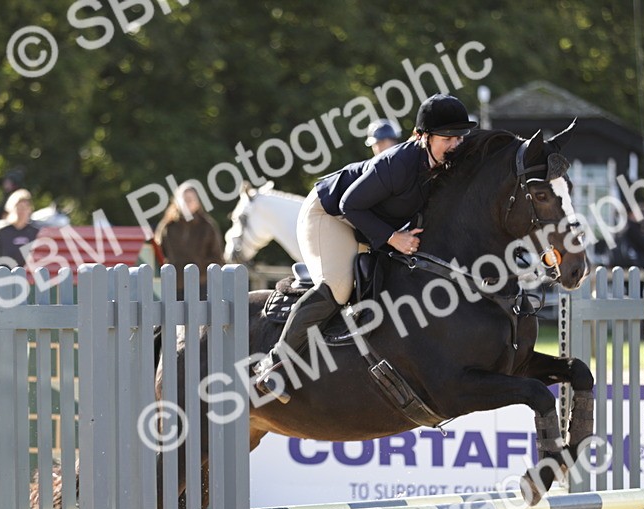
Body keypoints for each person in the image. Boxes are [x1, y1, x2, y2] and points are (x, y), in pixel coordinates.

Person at [254, 93, 477, 401]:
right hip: (330, 213)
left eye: (459, 138)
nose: (455, 145)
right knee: (340, 286)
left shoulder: (441, 162)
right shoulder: (397, 164)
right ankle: (274, 363)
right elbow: (350, 205)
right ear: (421, 136)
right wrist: (393, 238)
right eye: (447, 138)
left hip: (365, 219)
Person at [154, 183, 225, 298]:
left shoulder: (207, 226)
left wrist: (200, 272)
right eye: (185, 199)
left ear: (197, 202)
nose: (188, 203)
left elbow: (217, 257)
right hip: (173, 286)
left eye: (191, 199)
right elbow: (158, 255)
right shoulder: (167, 226)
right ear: (177, 201)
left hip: (201, 286)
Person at [0, 189, 39, 268]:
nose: (21, 212)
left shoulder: (35, 233)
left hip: (28, 278)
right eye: (18, 207)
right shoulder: (3, 233)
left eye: (25, 207)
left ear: (30, 209)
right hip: (5, 277)